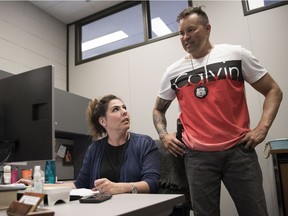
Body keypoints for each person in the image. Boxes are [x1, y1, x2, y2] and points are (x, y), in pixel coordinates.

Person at [152, 6, 282, 216]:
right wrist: (163, 135)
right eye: (181, 33)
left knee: (255, 211)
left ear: (207, 28)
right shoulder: (173, 71)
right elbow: (158, 109)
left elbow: (273, 90)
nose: (185, 37)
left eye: (191, 30)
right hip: (197, 156)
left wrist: (262, 128)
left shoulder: (236, 54)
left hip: (239, 151)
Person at [19, 94, 160, 195]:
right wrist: (39, 184)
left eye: (124, 107)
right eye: (116, 109)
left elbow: (152, 183)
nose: (124, 112)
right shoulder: (94, 149)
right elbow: (78, 184)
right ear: (103, 121)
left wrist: (119, 188)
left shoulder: (144, 143)